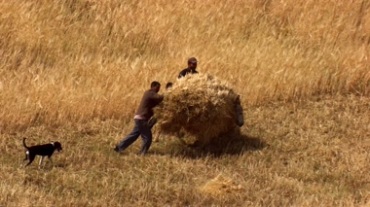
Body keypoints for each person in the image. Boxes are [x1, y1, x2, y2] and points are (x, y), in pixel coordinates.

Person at [114, 81, 164, 155]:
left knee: (134, 135)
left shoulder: (150, 95)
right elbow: (160, 98)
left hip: (139, 118)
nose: (158, 89)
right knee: (147, 137)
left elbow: (157, 104)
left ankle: (119, 147)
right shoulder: (149, 93)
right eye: (158, 87)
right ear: (153, 86)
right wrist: (169, 94)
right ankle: (142, 153)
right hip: (141, 119)